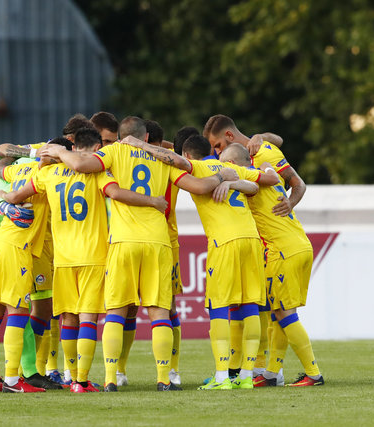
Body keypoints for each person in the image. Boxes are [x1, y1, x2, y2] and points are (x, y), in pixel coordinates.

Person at [40, 116, 238, 391]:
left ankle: (111, 378)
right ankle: (164, 379)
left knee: (116, 313)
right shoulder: (162, 159)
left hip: (123, 242)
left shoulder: (113, 152)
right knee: (159, 313)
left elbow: (81, 164)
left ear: (120, 136)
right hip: (158, 242)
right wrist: (221, 176)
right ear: (146, 138)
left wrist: (61, 151)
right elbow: (200, 186)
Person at [0, 128, 167, 393]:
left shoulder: (48, 174)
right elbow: (117, 193)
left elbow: (15, 195)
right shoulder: (97, 173)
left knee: (68, 320)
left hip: (62, 259)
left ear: (73, 149)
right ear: (97, 147)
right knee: (88, 319)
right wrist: (154, 201)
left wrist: (3, 201)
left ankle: (69, 375)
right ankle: (81, 381)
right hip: (94, 256)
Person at [123, 133, 278, 390]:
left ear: (187, 155)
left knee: (218, 307)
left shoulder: (201, 166)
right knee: (250, 305)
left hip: (225, 242)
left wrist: (139, 144)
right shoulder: (230, 167)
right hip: (251, 240)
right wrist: (233, 182)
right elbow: (255, 185)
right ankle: (247, 376)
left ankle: (221, 378)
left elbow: (176, 162)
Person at [219, 142, 324, 387]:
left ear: (232, 165)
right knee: (279, 312)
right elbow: (267, 171)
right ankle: (272, 372)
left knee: (284, 313)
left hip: (283, 251)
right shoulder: (265, 168)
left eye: (224, 165)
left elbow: (253, 184)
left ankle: (313, 373)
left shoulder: (249, 177)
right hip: (300, 245)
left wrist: (230, 182)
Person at [0, 138, 72, 393]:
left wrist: (26, 153)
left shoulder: (20, 168)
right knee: (17, 314)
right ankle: (14, 381)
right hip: (16, 249)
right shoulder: (49, 175)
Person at [115, 120, 185, 387]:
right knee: (166, 309)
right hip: (165, 242)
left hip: (130, 239)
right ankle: (171, 372)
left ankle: (118, 372)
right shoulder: (169, 162)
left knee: (126, 309)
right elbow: (182, 157)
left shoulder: (121, 158)